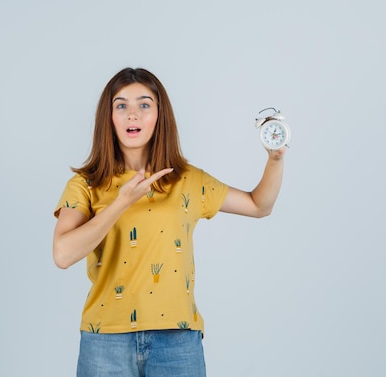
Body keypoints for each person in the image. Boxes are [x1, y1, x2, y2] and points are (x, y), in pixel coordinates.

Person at [53, 67, 285, 377]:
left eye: (144, 104)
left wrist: (275, 160)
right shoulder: (86, 184)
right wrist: (122, 201)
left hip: (177, 341)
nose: (132, 114)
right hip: (105, 340)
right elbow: (63, 254)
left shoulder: (187, 180)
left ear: (160, 116)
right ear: (108, 117)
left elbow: (259, 205)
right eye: (121, 105)